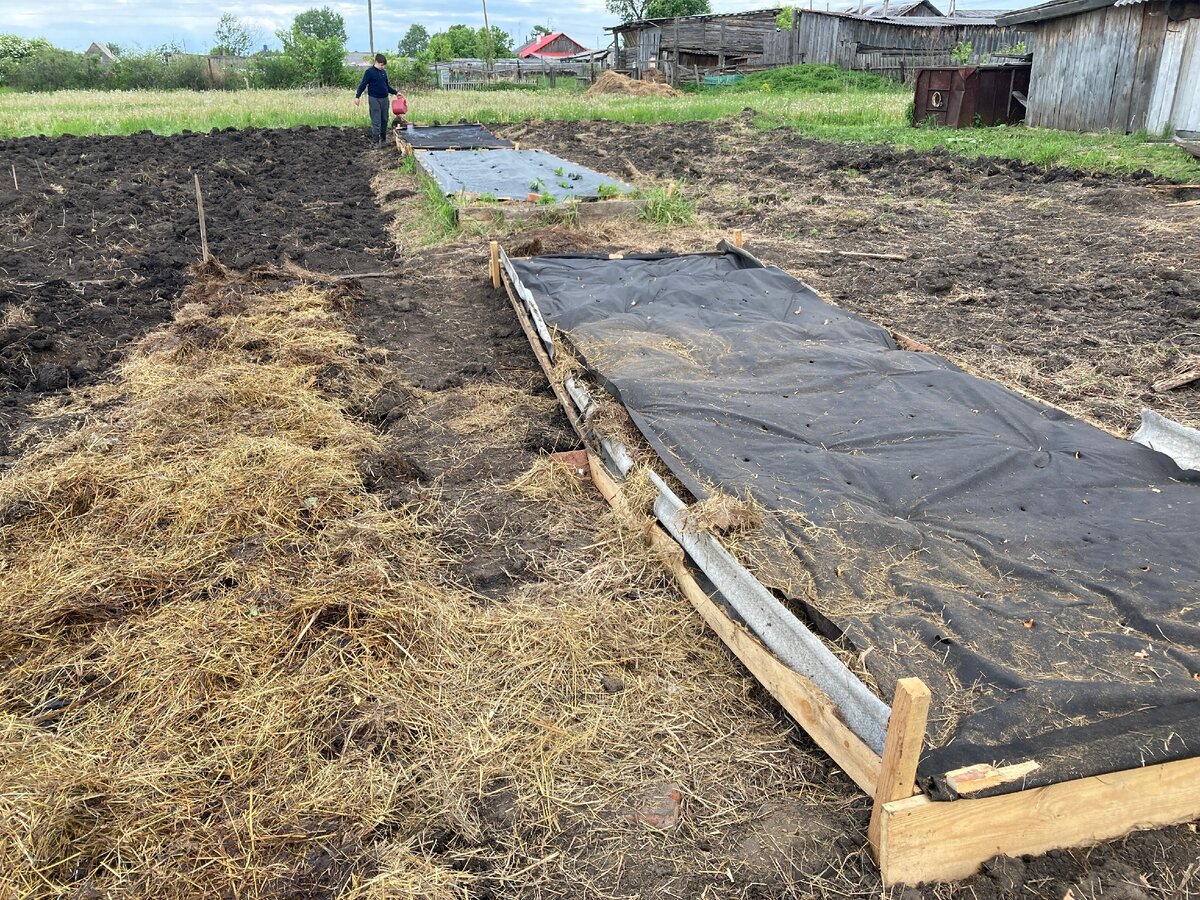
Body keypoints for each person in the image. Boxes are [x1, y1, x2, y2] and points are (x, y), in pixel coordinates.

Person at [354, 54, 398, 150]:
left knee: (384, 119)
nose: (382, 67)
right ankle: (375, 142)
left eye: (383, 66)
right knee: (376, 121)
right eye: (381, 65)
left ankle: (383, 139)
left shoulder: (383, 72)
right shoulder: (369, 72)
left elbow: (387, 86)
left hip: (384, 99)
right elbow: (363, 85)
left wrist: (396, 93)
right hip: (374, 99)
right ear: (376, 62)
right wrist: (357, 96)